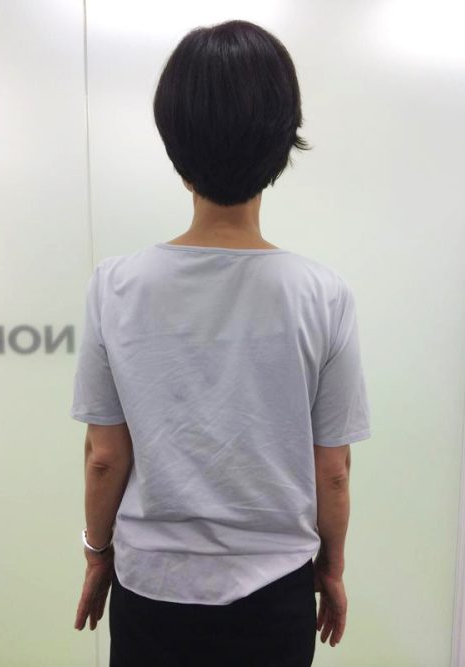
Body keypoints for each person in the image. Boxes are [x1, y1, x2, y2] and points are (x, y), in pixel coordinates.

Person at [70, 19, 371, 667]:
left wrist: (97, 553)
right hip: (276, 591)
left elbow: (104, 457)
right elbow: (333, 469)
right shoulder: (323, 293)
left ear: (175, 146)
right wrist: (332, 567)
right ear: (282, 143)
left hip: (150, 588)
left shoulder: (115, 286)